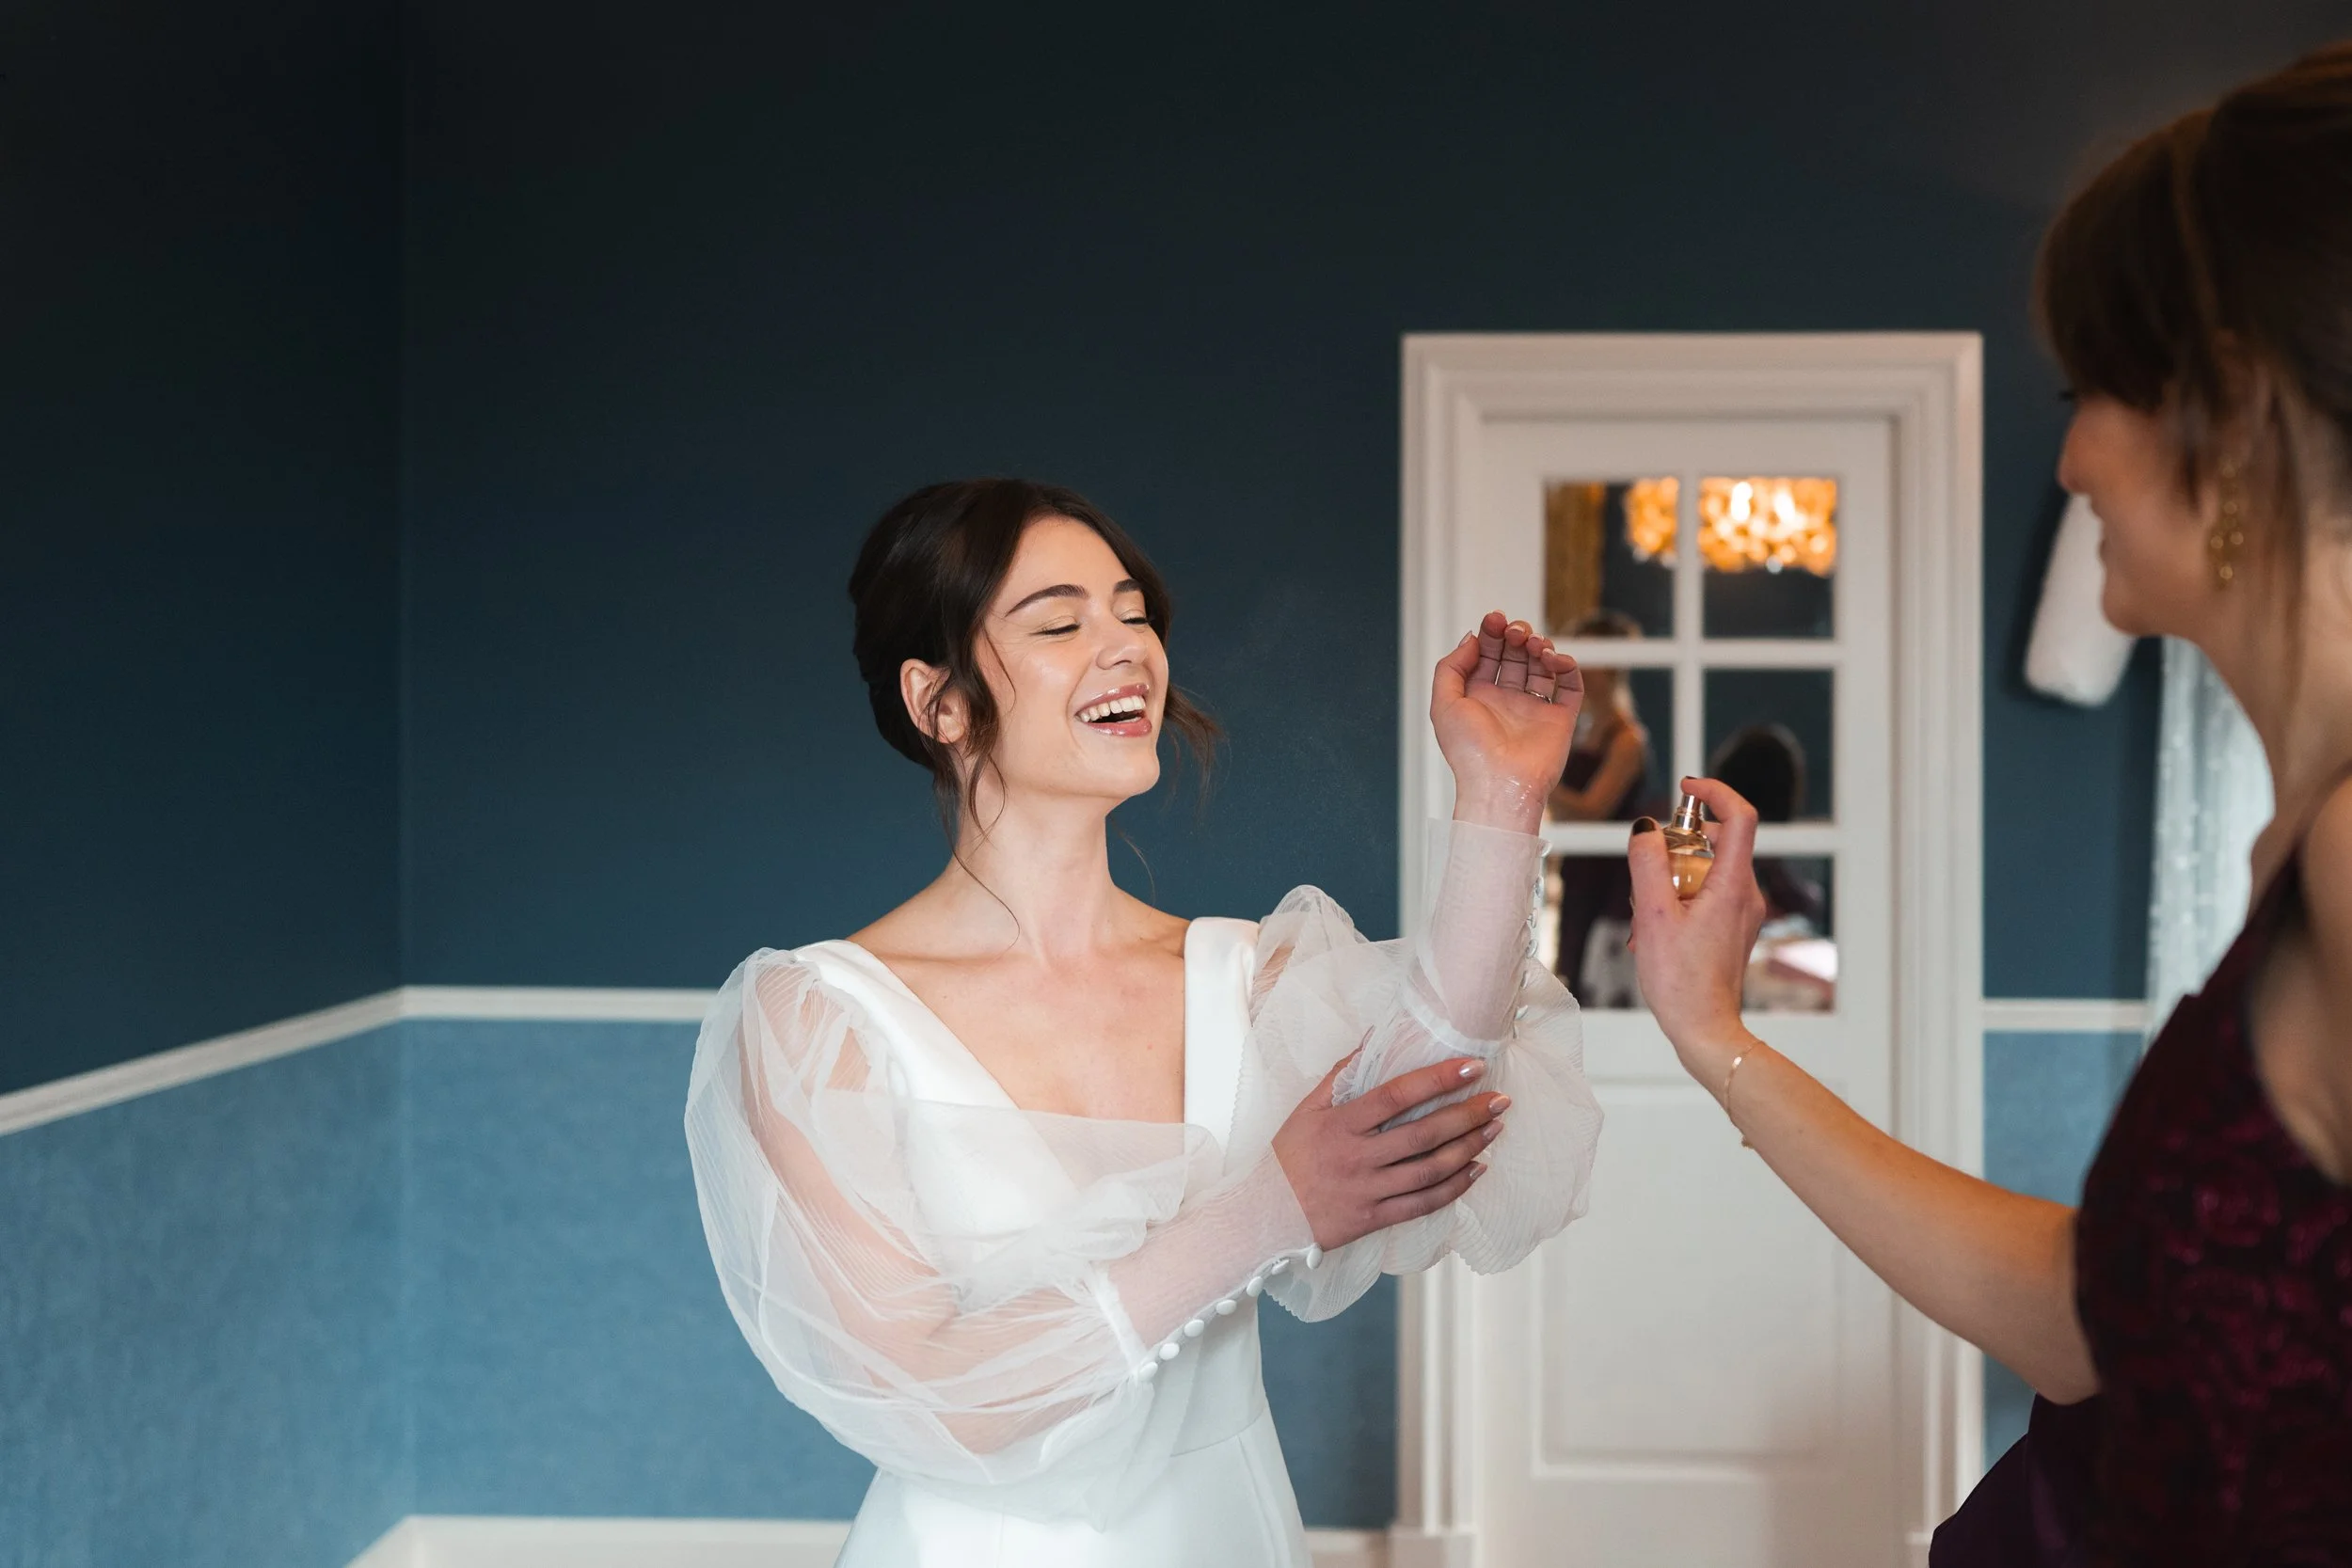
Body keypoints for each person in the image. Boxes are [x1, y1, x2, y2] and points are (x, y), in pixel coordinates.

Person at [1626, 42, 2352, 1563]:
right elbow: (2105, 1320)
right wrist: (1716, 1037)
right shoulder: (2305, 842)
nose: (2075, 449)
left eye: (2095, 388)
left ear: (2224, 411)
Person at [685, 479, 1603, 1567]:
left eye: (1133, 612)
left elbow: (1439, 1093)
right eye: (1061, 622)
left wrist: (1501, 794)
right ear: (939, 700)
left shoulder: (1237, 971)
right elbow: (927, 1397)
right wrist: (1267, 1208)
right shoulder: (816, 1016)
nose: (1125, 647)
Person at [1546, 610, 1657, 1002]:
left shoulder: (1627, 739)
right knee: (1568, 970)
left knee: (1596, 981)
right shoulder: (1586, 731)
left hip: (1609, 877)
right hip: (1580, 869)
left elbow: (1594, 809)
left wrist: (1540, 778)